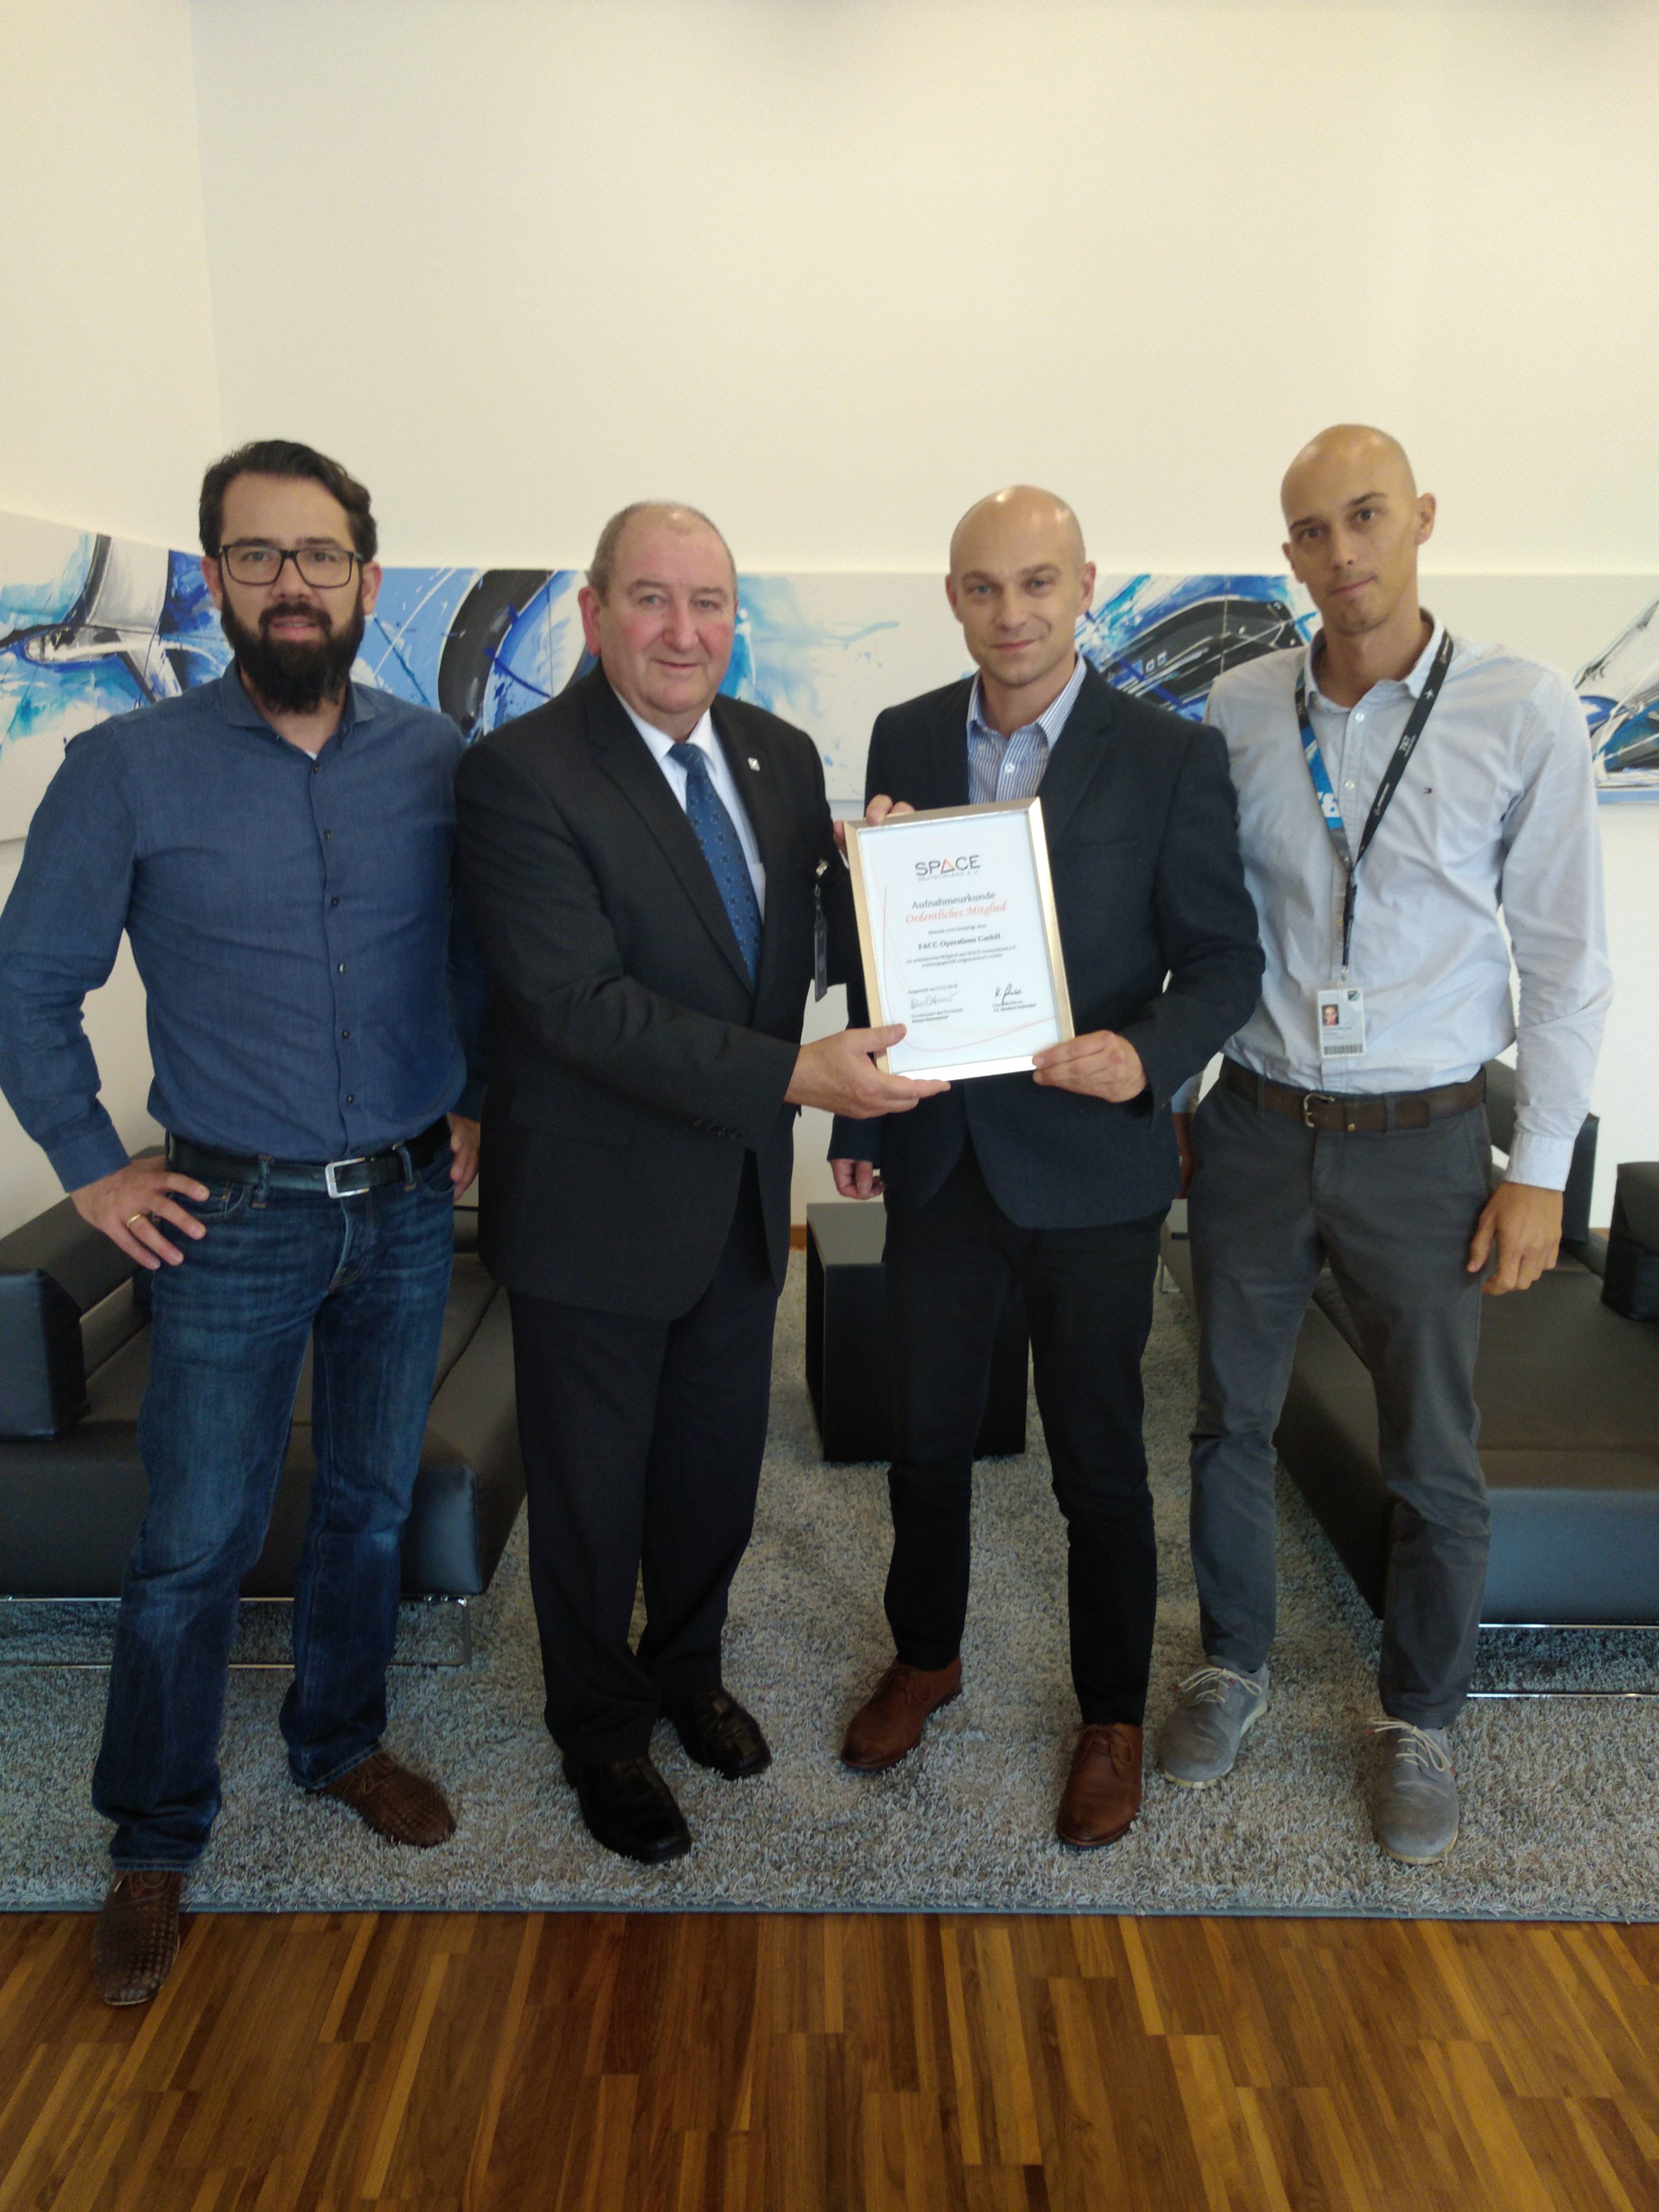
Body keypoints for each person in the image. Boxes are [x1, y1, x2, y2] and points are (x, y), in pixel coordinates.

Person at [0, 440, 485, 2006]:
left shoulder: (438, 759)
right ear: (214, 577)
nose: (292, 583)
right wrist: (93, 1166)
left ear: (366, 576)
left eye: (320, 555)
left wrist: (474, 1100)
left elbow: (478, 953)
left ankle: (337, 1740)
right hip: (228, 1222)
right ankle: (154, 1836)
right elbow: (28, 986)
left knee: (366, 1505)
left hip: (405, 1211)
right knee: (192, 1544)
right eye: (258, 555)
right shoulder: (126, 769)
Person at [454, 501, 938, 1866]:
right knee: (592, 1499)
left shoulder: (779, 757)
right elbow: (576, 1004)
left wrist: (889, 878)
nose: (683, 630)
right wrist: (798, 1075)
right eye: (652, 599)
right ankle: (601, 1732)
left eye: (708, 602)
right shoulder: (519, 774)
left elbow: (801, 943)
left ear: (736, 616)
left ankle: (687, 1669)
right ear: (595, 611)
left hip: (732, 1197)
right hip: (592, 1211)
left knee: (712, 1476)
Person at [1160, 425, 1611, 1865]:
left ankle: (1420, 1718)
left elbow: (1568, 960)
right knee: (1228, 1422)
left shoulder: (1521, 708)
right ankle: (1231, 1663)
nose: (1342, 552)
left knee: (1433, 1457)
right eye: (1311, 530)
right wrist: (1178, 1097)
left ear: (1422, 516)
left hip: (1425, 1143)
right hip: (1254, 1122)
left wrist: (1538, 1170)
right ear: (1287, 553)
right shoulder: (1240, 706)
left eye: (1365, 516)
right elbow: (1200, 925)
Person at [830, 486, 1262, 1847]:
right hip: (940, 1151)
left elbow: (1226, 962)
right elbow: (875, 949)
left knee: (1099, 1462)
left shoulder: (1170, 756)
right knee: (925, 1439)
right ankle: (927, 1657)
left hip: (1090, 1162)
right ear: (952, 596)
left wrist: (1148, 1057)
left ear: (1084, 586)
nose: (1009, 613)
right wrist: (858, 1121)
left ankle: (1111, 1717)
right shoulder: (904, 733)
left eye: (1036, 583)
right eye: (982, 586)